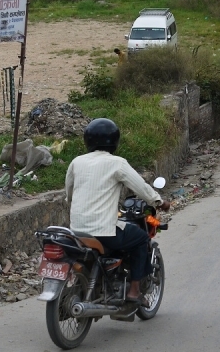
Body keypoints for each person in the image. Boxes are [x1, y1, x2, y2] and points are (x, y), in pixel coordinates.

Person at [65, 118, 170, 303]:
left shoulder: (76, 162)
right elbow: (141, 188)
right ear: (115, 140)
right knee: (141, 238)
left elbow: (69, 194)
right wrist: (159, 201)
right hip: (103, 231)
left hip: (76, 230)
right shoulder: (117, 163)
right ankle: (134, 291)